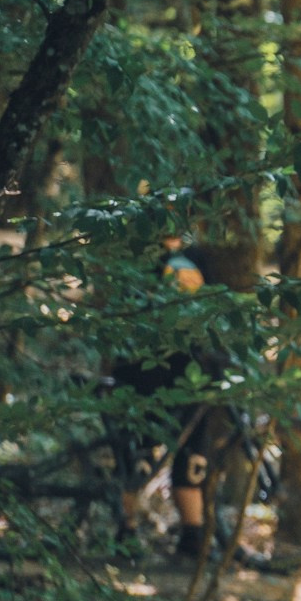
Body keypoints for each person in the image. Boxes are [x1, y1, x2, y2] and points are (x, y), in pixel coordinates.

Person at [105, 234, 227, 559]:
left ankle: (193, 536)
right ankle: (127, 531)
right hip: (147, 372)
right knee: (139, 454)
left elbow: (213, 305)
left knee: (191, 454)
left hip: (190, 373)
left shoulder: (196, 255)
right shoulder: (142, 255)